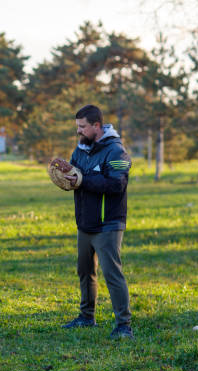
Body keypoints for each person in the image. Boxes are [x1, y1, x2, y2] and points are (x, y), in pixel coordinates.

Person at [62, 104, 134, 339]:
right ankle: (86, 317)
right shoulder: (80, 149)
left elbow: (117, 185)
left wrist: (83, 180)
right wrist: (66, 177)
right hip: (85, 223)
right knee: (84, 271)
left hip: (108, 224)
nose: (79, 131)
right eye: (77, 127)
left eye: (82, 127)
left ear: (96, 126)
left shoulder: (116, 151)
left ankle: (124, 325)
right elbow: (74, 176)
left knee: (112, 273)